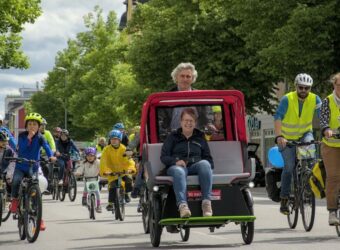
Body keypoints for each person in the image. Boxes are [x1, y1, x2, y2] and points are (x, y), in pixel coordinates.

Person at [274, 73, 321, 215]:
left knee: (311, 161)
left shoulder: (315, 99)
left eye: (307, 88)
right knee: (288, 168)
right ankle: (284, 198)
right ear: (296, 86)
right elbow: (278, 118)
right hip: (287, 139)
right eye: (301, 87)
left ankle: (306, 186)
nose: (304, 90)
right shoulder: (287, 99)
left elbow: (323, 116)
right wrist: (279, 136)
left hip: (304, 135)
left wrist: (326, 129)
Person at [160, 108, 214, 218]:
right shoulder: (173, 137)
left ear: (195, 123)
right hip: (177, 167)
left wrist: (205, 165)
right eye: (186, 120)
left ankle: (206, 203)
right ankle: (183, 206)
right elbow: (164, 157)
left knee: (205, 164)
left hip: (195, 166)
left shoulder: (200, 137)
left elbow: (208, 158)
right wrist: (175, 161)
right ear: (181, 122)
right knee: (179, 171)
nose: (188, 123)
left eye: (191, 121)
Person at [10, 112, 56, 231]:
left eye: (34, 124)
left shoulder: (41, 137)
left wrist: (51, 156)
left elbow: (46, 147)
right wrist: (29, 138)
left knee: (36, 189)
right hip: (21, 166)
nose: (32, 126)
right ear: (26, 125)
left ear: (39, 126)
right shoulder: (22, 136)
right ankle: (14, 200)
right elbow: (22, 148)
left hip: (33, 167)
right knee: (16, 180)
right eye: (29, 124)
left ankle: (39, 218)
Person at [159, 62, 212, 132]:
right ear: (176, 77)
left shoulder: (201, 96)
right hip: (173, 137)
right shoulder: (166, 97)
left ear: (192, 79)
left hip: (196, 137)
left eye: (188, 76)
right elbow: (160, 120)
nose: (185, 79)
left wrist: (209, 124)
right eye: (182, 76)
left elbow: (208, 117)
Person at [320, 72, 340, 225]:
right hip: (331, 144)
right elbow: (324, 119)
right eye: (339, 85)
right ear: (334, 85)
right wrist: (327, 130)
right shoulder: (328, 101)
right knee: (333, 177)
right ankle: (332, 211)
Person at [100, 129, 136, 211]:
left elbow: (129, 160)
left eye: (116, 139)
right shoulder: (106, 150)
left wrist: (130, 169)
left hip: (124, 171)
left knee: (129, 180)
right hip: (112, 172)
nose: (113, 140)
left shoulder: (124, 149)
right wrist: (106, 170)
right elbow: (103, 161)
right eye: (112, 139)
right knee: (112, 186)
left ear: (119, 139)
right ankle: (110, 203)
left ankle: (127, 193)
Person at [74, 147, 102, 213]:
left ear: (94, 156)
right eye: (88, 156)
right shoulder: (84, 163)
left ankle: (98, 205)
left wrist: (103, 172)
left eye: (92, 155)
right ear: (86, 156)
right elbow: (80, 169)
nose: (90, 157)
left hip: (95, 178)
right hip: (87, 178)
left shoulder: (98, 162)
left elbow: (102, 167)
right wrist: (78, 173)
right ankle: (84, 198)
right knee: (86, 188)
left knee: (97, 192)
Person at [40, 118, 56, 185]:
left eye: (44, 125)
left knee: (47, 166)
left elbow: (52, 142)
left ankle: (48, 182)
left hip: (46, 154)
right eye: (41, 125)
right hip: (36, 154)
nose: (43, 126)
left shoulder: (47, 133)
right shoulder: (34, 133)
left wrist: (52, 150)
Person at [0, 130, 15, 199]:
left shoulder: (9, 150)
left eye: (6, 141)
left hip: (6, 169)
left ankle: (10, 194)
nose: (5, 143)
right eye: (2, 141)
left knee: (10, 180)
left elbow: (13, 160)